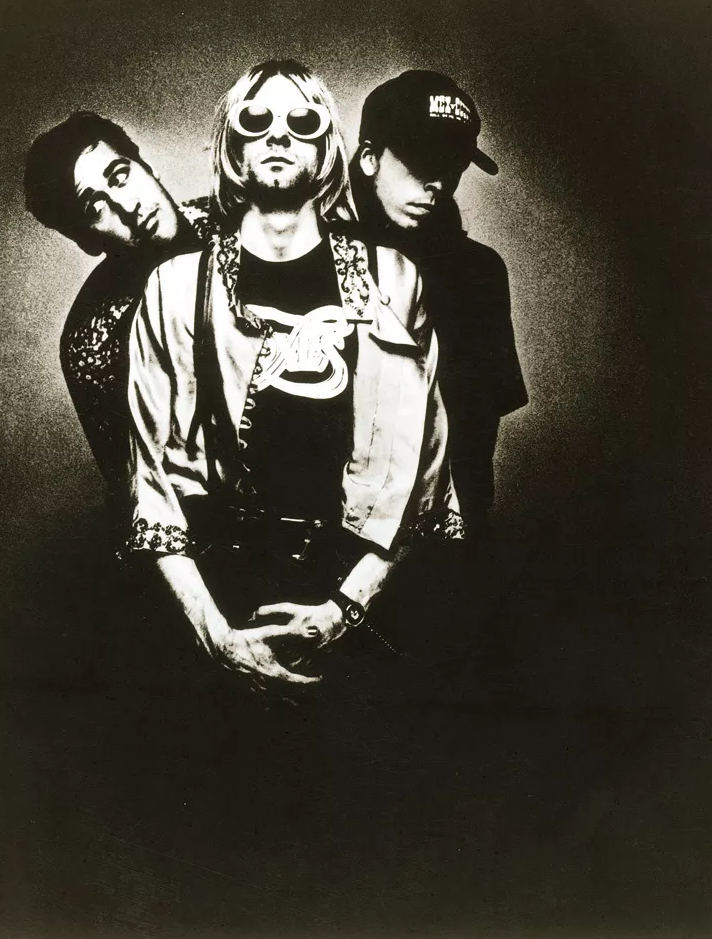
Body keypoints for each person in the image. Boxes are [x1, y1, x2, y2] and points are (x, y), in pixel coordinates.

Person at [125, 60, 463, 691]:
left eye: (302, 121)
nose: (278, 134)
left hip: (356, 604)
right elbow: (153, 484)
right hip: (225, 600)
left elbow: (425, 472)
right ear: (231, 143)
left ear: (327, 145)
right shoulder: (174, 288)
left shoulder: (392, 280)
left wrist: (344, 610)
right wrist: (215, 634)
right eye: (255, 120)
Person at [351, 71, 527, 537]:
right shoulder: (310, 250)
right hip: (326, 532)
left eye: (453, 166)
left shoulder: (478, 273)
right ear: (369, 158)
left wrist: (467, 537)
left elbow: (477, 433)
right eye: (422, 160)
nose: (438, 183)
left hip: (438, 538)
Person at [23, 111, 213, 499]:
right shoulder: (92, 343)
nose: (127, 206)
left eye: (120, 176)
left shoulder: (244, 219)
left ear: (147, 166)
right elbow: (138, 491)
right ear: (85, 241)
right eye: (96, 208)